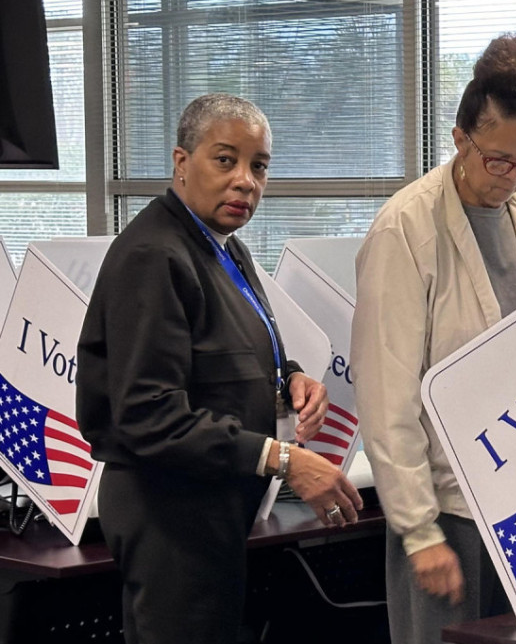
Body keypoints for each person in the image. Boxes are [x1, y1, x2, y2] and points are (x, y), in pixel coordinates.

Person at [76, 93, 364, 644]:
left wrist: (291, 377)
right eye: (226, 160)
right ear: (182, 163)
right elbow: (147, 413)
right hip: (169, 510)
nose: (246, 182)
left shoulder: (225, 248)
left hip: (215, 505)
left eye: (259, 166)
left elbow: (229, 352)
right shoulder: (154, 256)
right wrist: (284, 459)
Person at [352, 34, 516, 643]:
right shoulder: (405, 228)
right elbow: (386, 397)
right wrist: (419, 530)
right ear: (460, 139)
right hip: (445, 510)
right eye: (497, 160)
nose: (511, 177)